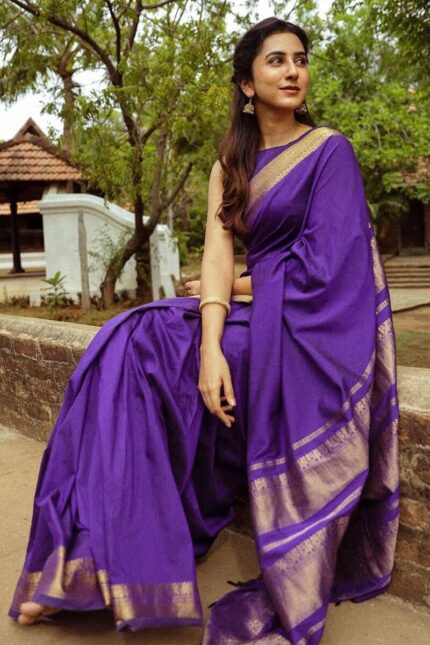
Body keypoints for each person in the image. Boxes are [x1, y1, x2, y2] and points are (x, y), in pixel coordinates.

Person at [8, 16, 400, 645]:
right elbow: (218, 256)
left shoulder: (330, 151)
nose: (293, 71)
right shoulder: (230, 162)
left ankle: (109, 562)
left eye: (300, 59)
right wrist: (210, 350)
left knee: (148, 346)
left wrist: (238, 291)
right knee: (128, 339)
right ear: (247, 83)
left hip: (309, 331)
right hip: (253, 317)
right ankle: (86, 564)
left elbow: (333, 270)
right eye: (277, 60)